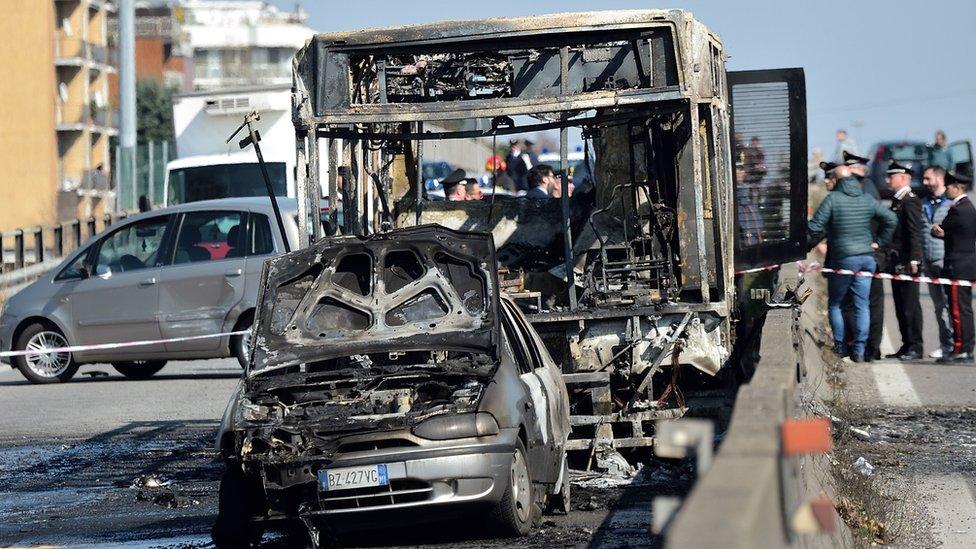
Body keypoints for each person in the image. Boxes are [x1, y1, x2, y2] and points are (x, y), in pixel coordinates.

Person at [808, 163, 896, 361]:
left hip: (844, 259)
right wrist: (879, 242)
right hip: (867, 258)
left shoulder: (833, 199)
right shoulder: (867, 199)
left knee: (837, 304)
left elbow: (815, 227)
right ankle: (859, 349)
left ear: (837, 180)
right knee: (862, 304)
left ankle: (840, 346)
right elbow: (891, 219)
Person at [931, 171, 976, 362]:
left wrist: (938, 230)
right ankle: (965, 347)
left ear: (957, 187)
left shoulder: (959, 209)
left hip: (958, 266)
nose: (946, 189)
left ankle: (961, 349)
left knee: (958, 309)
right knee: (963, 308)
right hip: (964, 264)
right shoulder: (968, 208)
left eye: (948, 186)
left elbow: (941, 229)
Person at [883, 161, 925, 360]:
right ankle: (906, 344)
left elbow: (915, 233)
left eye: (891, 176)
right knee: (900, 305)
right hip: (897, 261)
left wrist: (915, 260)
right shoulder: (898, 200)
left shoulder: (910, 201)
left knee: (910, 305)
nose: (887, 180)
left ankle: (916, 346)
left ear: (902, 178)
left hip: (907, 262)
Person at [920, 166, 954, 358]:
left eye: (927, 178)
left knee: (950, 305)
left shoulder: (951, 203)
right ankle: (945, 343)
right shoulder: (924, 202)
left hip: (945, 260)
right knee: (938, 306)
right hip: (929, 261)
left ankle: (955, 344)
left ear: (939, 179)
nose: (924, 182)